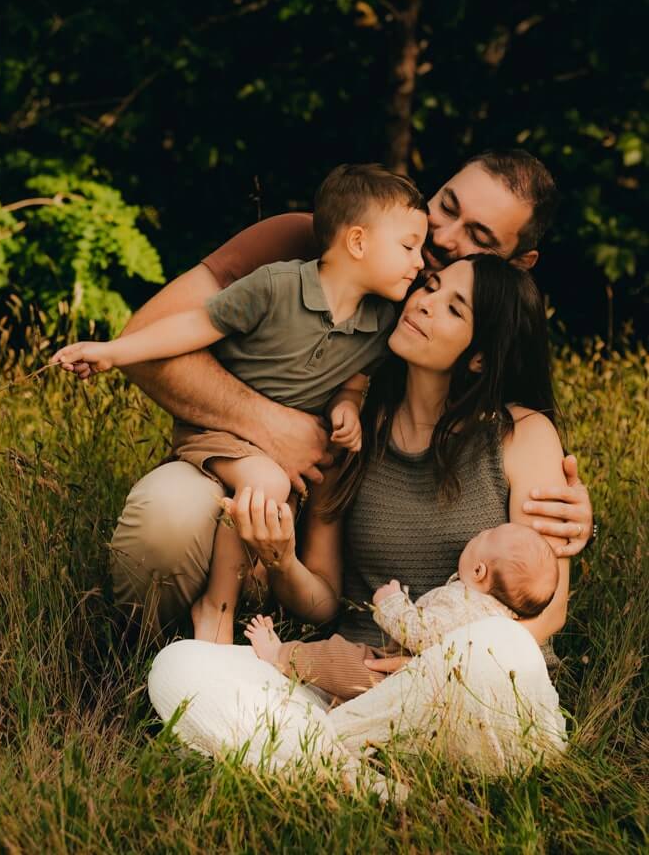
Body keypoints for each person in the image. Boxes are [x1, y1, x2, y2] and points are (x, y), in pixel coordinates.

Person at [111, 149, 592, 643]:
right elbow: (143, 341)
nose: (445, 239)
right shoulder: (321, 241)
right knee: (167, 514)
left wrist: (574, 522)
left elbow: (516, 473)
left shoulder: (490, 333)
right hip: (240, 473)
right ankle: (147, 654)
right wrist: (270, 425)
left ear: (520, 263)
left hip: (327, 547)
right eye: (447, 206)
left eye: (479, 237)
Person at [147, 254, 580, 775]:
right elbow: (322, 602)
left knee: (502, 648)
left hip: (473, 685)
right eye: (430, 286)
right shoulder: (350, 429)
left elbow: (547, 612)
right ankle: (371, 779)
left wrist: (437, 668)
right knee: (179, 667)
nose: (422, 303)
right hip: (351, 680)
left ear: (480, 358)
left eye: (453, 308)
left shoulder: (522, 435)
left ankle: (317, 759)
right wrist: (282, 561)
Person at [52, 164, 427, 641]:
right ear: (357, 242)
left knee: (269, 496)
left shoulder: (379, 324)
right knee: (265, 480)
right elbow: (194, 326)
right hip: (217, 436)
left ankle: (239, 615)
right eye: (408, 246)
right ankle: (216, 609)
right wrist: (112, 352)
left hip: (278, 467)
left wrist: (347, 409)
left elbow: (352, 383)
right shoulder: (275, 285)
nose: (419, 262)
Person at [243, 523, 559, 704]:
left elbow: (423, 635)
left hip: (397, 676)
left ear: (479, 571)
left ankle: (279, 654)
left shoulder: (465, 604)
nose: (479, 533)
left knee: (341, 659)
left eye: (483, 537)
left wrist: (392, 602)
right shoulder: (500, 620)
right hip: (429, 688)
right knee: (353, 687)